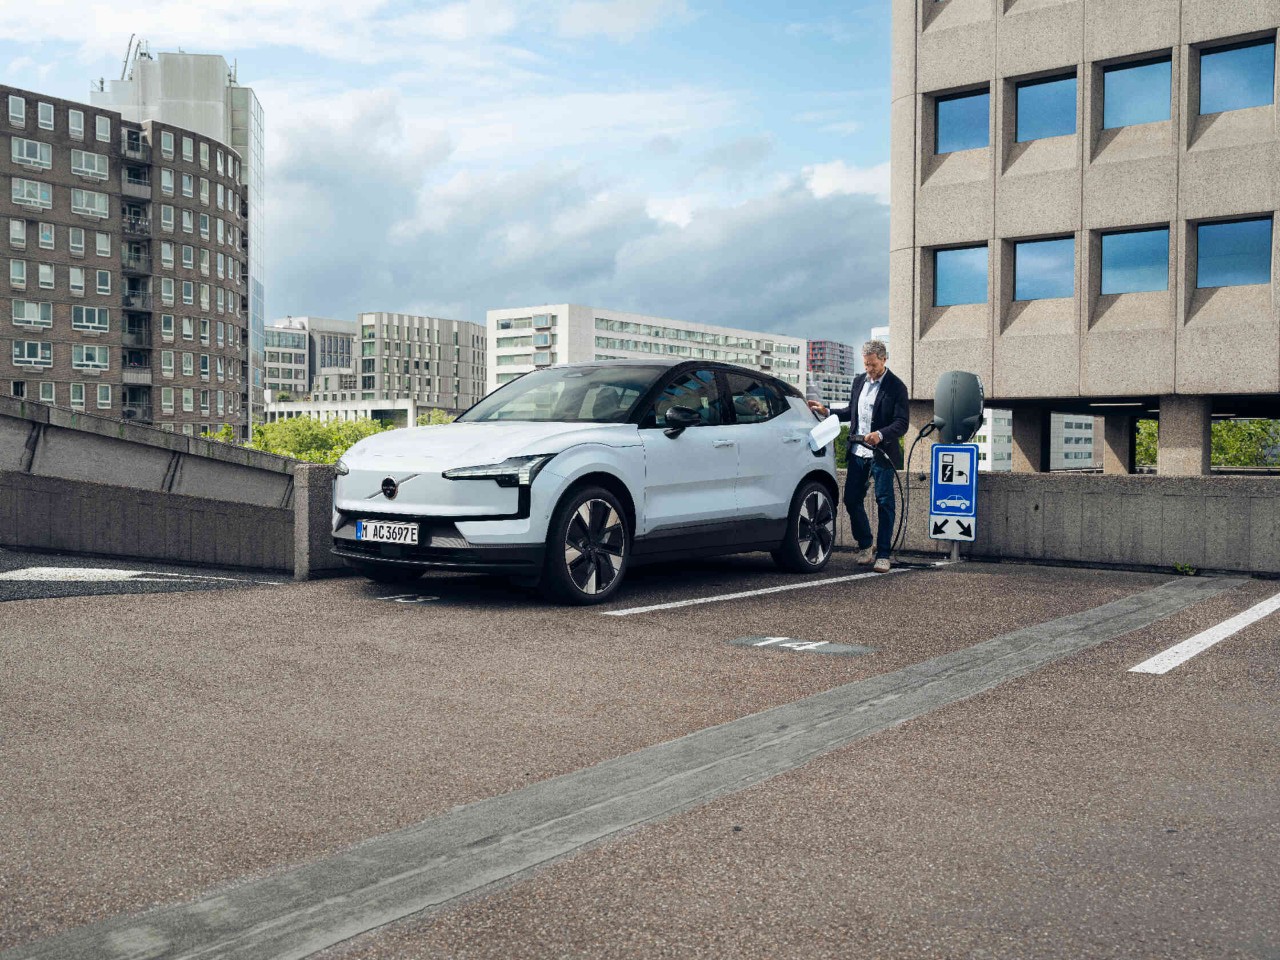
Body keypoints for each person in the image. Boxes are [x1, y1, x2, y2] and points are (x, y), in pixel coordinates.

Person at [808, 339, 909, 572]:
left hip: (881, 453)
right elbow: (850, 412)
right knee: (851, 500)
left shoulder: (896, 387)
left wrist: (881, 435)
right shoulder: (858, 382)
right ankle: (866, 544)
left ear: (884, 359)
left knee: (884, 502)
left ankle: (884, 554)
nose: (869, 370)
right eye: (866, 365)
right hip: (857, 452)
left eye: (873, 365)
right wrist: (827, 411)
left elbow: (902, 423)